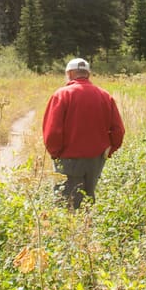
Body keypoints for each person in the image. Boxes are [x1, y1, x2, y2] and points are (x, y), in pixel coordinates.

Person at [41, 57, 125, 208]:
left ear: (70, 73)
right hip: (96, 160)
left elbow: (52, 132)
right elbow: (118, 130)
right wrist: (109, 151)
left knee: (66, 203)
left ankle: (69, 231)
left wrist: (55, 153)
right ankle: (87, 228)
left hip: (68, 158)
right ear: (88, 74)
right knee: (88, 199)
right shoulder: (105, 96)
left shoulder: (62, 95)